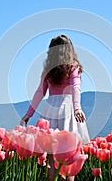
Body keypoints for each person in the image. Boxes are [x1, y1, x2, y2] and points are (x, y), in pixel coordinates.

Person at [20, 35, 90, 181]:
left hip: (51, 109)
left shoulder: (49, 70)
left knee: (51, 156)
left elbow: (40, 92)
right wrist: (77, 108)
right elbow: (75, 88)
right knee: (69, 155)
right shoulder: (73, 67)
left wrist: (29, 113)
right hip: (68, 108)